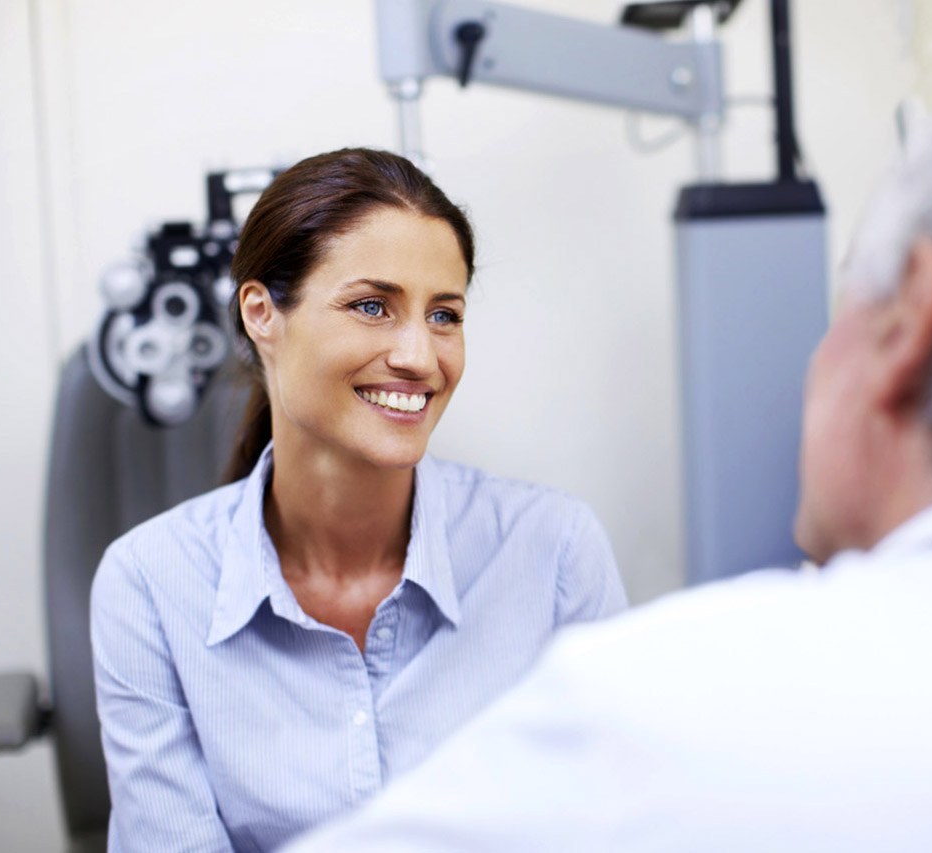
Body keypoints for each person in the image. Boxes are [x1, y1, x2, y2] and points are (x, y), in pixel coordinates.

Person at [284, 59, 932, 853]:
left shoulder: (665, 705)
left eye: (844, 299)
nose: (415, 350)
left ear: (909, 319)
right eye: (373, 304)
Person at [89, 148, 628, 852]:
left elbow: (613, 822)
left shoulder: (553, 550)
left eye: (444, 314)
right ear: (261, 314)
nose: (419, 355)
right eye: (372, 306)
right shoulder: (150, 584)